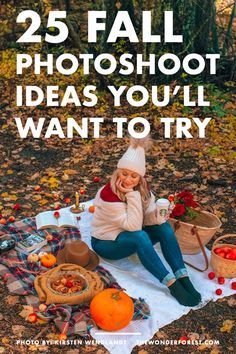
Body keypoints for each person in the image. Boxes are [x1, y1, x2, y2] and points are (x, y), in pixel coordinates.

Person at [91, 137, 201, 306]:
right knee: (140, 236)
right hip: (106, 242)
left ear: (141, 178)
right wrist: (131, 194)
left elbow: (146, 217)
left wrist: (158, 215)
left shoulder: (142, 189)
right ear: (117, 172)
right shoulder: (108, 196)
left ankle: (183, 277)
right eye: (124, 173)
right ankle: (173, 285)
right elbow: (134, 226)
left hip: (128, 234)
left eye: (134, 176)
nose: (128, 180)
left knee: (163, 227)